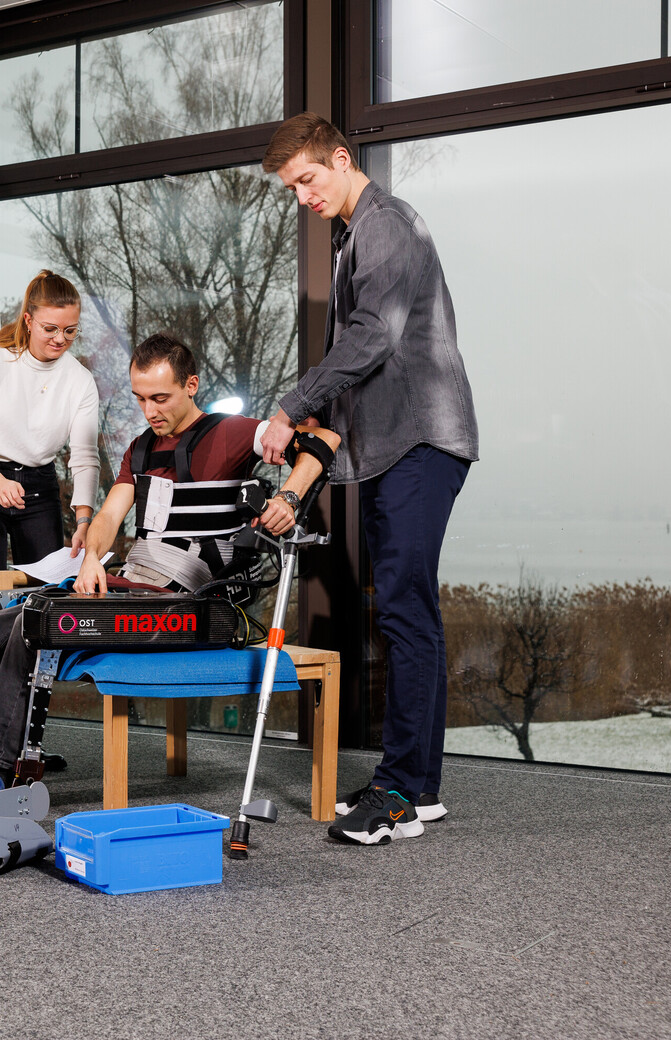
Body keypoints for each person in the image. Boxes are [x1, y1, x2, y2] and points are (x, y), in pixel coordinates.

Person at [0, 333, 339, 807]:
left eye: (161, 398)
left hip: (194, 604)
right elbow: (107, 518)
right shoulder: (141, 449)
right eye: (140, 398)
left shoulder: (231, 432)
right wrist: (89, 559)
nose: (149, 411)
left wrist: (288, 496)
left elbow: (324, 439)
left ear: (191, 386)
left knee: (34, 622)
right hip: (140, 591)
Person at [261, 112, 478, 846]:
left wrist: (291, 405)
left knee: (404, 614)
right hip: (401, 445)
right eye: (292, 189)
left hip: (421, 438)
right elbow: (361, 372)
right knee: (412, 613)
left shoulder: (384, 224)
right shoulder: (357, 235)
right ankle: (419, 787)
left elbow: (373, 337)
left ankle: (397, 792)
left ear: (341, 158)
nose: (303, 197)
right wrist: (305, 470)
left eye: (307, 179)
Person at [0, 270, 99, 590]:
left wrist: (84, 520)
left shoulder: (80, 381)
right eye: (50, 329)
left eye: (70, 330)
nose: (60, 339)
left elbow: (85, 457)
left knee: (44, 594)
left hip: (39, 488)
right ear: (28, 321)